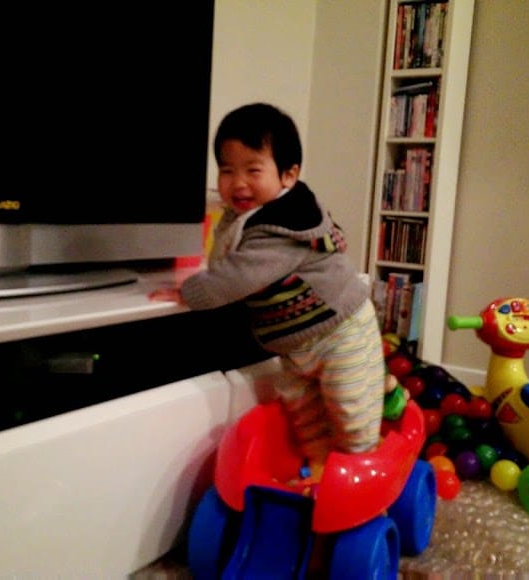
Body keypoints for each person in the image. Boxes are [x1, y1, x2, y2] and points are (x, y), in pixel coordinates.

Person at [149, 102, 393, 473]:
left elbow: (238, 275)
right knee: (303, 414)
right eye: (227, 170)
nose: (238, 182)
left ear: (288, 176)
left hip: (340, 332)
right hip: (294, 345)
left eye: (253, 170)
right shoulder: (243, 217)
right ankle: (320, 468)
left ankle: (362, 473)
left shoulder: (282, 224)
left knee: (351, 412)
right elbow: (225, 261)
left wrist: (190, 292)